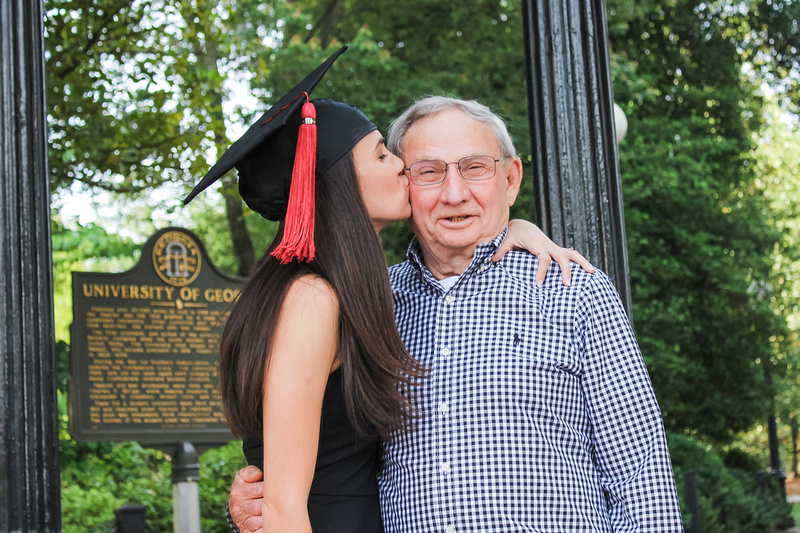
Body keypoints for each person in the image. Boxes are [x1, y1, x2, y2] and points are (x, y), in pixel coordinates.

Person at [228, 94, 683, 532]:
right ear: (407, 183)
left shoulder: (573, 289)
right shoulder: (368, 306)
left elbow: (639, 470)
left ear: (510, 179)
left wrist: (520, 226)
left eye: (475, 168)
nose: (454, 192)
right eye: (426, 172)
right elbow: (315, 472)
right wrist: (253, 505)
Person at [186, 48, 592, 533]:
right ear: (342, 184)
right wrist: (249, 511)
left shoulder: (362, 295)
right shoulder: (311, 299)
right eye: (381, 154)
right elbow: (282, 508)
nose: (401, 165)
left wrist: (516, 227)